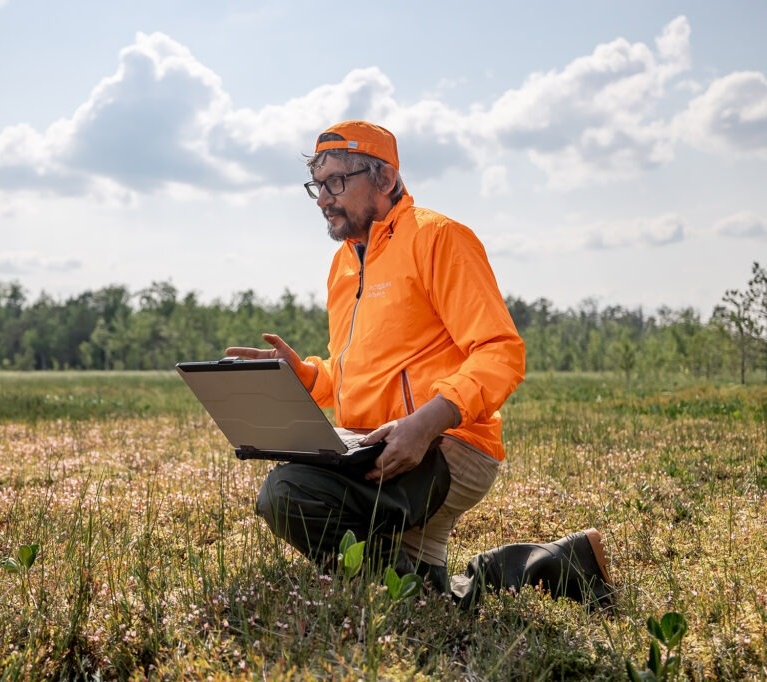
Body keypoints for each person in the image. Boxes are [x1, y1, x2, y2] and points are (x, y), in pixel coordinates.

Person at [226, 120, 613, 608]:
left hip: (445, 446)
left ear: (385, 180)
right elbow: (356, 374)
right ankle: (556, 562)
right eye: (316, 186)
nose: (323, 198)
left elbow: (501, 351)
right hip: (372, 452)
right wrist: (301, 376)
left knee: (286, 493)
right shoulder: (344, 265)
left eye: (337, 182)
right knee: (424, 594)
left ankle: (425, 600)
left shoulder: (439, 237)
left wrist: (425, 424)